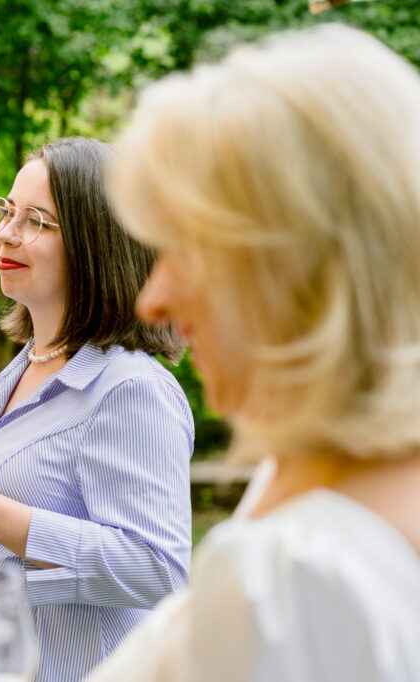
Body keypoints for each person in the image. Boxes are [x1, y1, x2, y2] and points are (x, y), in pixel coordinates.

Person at [88, 24, 420, 681]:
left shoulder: (299, 580)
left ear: (296, 269)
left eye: (183, 250)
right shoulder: (301, 474)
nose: (151, 300)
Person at [0, 136, 195, 681]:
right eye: (6, 211)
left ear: (95, 243)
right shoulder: (21, 370)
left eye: (37, 221)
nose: (6, 233)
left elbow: (159, 570)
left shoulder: (130, 388)